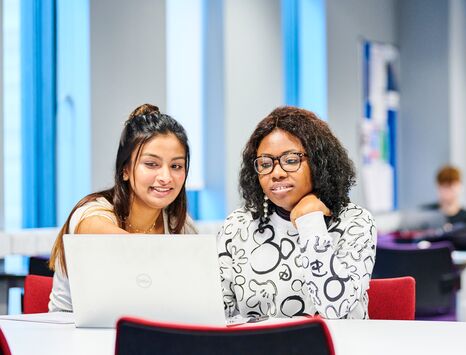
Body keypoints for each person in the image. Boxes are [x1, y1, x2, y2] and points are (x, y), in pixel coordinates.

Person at [217, 106, 377, 320]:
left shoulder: (355, 222)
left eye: (291, 160)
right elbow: (218, 312)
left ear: (319, 163)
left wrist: (310, 223)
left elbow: (335, 308)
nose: (277, 173)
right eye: (265, 164)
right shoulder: (238, 224)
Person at [48, 104, 198, 312]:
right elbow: (111, 241)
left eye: (176, 166)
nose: (166, 177)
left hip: (142, 335)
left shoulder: (180, 226)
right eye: (151, 164)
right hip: (72, 335)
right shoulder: (92, 212)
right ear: (125, 170)